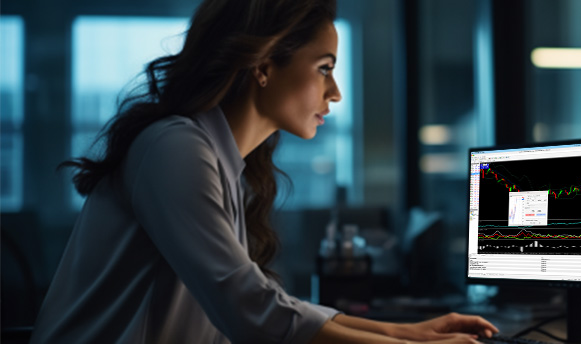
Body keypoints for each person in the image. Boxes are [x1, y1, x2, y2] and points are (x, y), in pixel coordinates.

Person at [31, 0, 499, 343]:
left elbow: (265, 303)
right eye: (323, 68)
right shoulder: (174, 148)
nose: (334, 93)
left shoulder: (214, 159)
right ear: (262, 65)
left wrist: (407, 334)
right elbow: (250, 312)